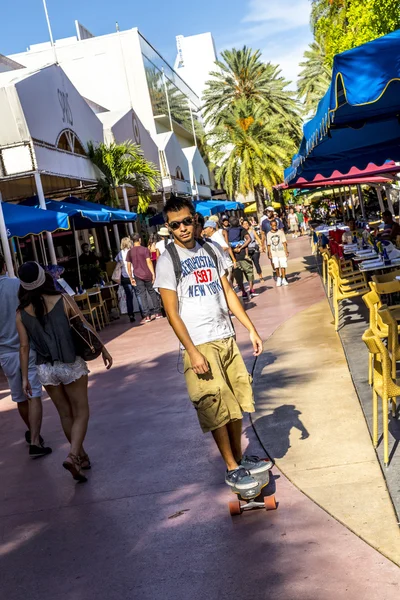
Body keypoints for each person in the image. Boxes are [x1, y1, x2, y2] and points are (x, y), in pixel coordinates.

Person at [154, 196, 271, 492]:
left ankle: (240, 460)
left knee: (234, 403)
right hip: (199, 344)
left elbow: (228, 292)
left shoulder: (212, 248)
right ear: (168, 228)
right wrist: (192, 351)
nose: (182, 228)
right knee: (214, 405)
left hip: (224, 336)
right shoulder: (168, 260)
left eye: (186, 221)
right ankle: (231, 467)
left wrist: (250, 328)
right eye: (175, 225)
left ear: (195, 219)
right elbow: (171, 312)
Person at [16, 261, 113, 482]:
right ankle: (72, 455)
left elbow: (24, 347)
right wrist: (103, 348)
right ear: (44, 277)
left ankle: (82, 456)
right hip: (70, 363)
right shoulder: (63, 299)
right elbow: (84, 325)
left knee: (65, 414)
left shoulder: (21, 313)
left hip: (45, 369)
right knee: (81, 411)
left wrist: (24, 378)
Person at [0, 256, 51, 457]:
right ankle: (36, 440)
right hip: (27, 346)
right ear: (4, 265)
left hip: (5, 352)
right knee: (34, 393)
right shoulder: (17, 285)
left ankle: (33, 432)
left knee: (19, 397)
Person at [126, 234, 163, 324]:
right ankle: (157, 312)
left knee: (142, 295)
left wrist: (131, 277)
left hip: (137, 275)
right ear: (139, 239)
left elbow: (128, 265)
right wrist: (153, 274)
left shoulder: (130, 252)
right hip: (147, 273)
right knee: (152, 292)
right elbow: (149, 262)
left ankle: (147, 315)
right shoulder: (145, 249)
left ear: (132, 241)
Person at [227, 216, 257, 299]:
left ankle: (244, 292)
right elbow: (249, 239)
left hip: (233, 257)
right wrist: (241, 248)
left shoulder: (227, 231)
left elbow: (226, 243)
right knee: (249, 272)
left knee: (238, 276)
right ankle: (251, 290)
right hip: (243, 255)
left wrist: (233, 249)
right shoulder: (241, 229)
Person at [115, 237, 143, 323]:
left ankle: (131, 314)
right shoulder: (132, 251)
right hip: (134, 275)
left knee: (129, 297)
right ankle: (143, 312)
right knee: (138, 294)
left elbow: (116, 261)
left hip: (125, 277)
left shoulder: (120, 254)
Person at [203, 219, 236, 284]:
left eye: (205, 228)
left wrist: (213, 252)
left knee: (228, 287)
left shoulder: (216, 236)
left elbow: (225, 246)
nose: (204, 230)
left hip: (225, 265)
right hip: (222, 266)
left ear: (211, 228)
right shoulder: (211, 238)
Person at [267, 220, 289, 287]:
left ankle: (283, 278)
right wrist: (269, 253)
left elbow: (284, 242)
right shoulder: (269, 234)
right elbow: (269, 244)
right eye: (273, 225)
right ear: (270, 226)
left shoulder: (280, 232)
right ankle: (278, 277)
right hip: (274, 252)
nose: (274, 227)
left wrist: (286, 251)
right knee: (276, 266)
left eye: (275, 225)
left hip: (281, 251)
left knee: (283, 265)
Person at [242, 218, 264, 282]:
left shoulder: (252, 231)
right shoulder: (242, 233)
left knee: (256, 263)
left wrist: (261, 246)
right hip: (246, 251)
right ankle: (251, 279)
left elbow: (257, 238)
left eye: (246, 223)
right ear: (242, 225)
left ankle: (261, 277)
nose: (245, 225)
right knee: (248, 266)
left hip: (254, 250)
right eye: (244, 224)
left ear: (249, 224)